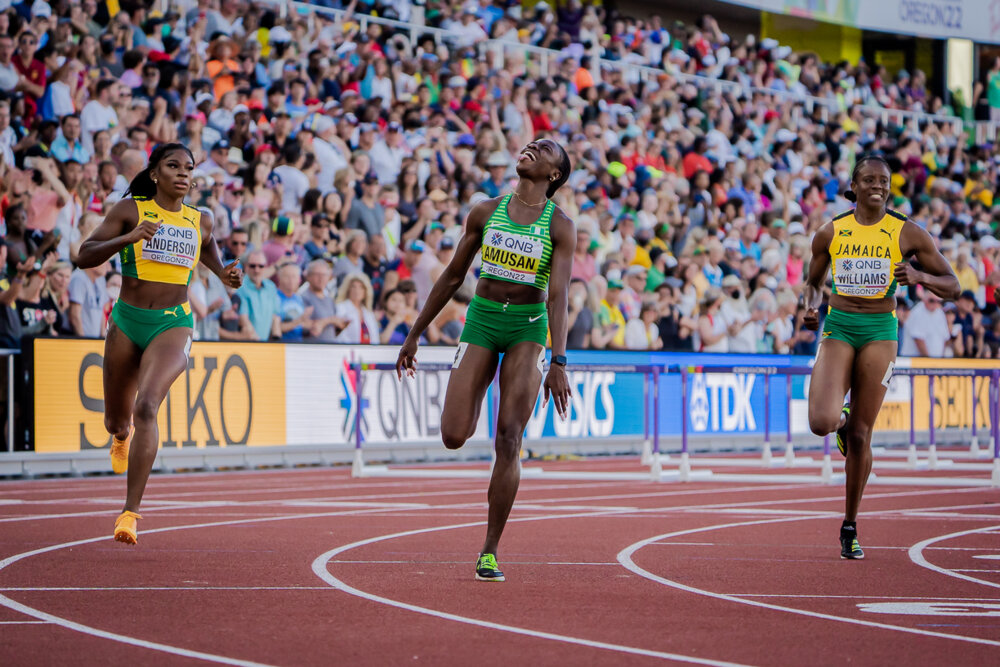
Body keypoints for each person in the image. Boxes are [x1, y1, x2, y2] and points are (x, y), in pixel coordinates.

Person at [395, 139, 574, 582]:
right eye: (531, 143)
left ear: (554, 175)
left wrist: (559, 361)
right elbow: (454, 274)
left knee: (509, 437)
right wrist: (414, 333)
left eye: (544, 148)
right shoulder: (485, 210)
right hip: (482, 320)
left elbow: (559, 295)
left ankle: (489, 550)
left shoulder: (561, 226)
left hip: (528, 330)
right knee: (453, 434)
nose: (531, 146)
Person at [75, 143, 243, 545]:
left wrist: (224, 274)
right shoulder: (130, 209)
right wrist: (129, 237)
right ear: (155, 173)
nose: (183, 174)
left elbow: (209, 249)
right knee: (118, 419)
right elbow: (84, 256)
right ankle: (120, 437)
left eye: (189, 168)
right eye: (173, 166)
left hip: (173, 323)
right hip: (128, 321)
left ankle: (129, 513)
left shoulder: (200, 219)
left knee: (147, 404)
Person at [803, 154, 959, 560]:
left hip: (880, 330)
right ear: (853, 187)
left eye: (884, 180)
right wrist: (809, 306)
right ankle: (841, 421)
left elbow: (953, 285)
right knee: (822, 422)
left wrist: (921, 276)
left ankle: (849, 525)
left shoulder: (907, 232)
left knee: (861, 435)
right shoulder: (831, 232)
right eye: (868, 180)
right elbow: (813, 282)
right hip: (840, 326)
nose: (877, 186)